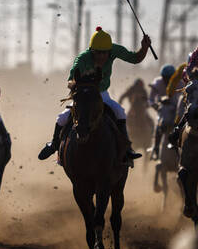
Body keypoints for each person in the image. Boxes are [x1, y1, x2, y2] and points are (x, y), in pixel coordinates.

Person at [38, 26, 152, 163]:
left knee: (120, 112)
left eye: (105, 53)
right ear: (92, 51)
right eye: (98, 53)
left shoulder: (114, 50)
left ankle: (126, 149)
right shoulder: (82, 59)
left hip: (102, 93)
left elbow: (135, 58)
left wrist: (144, 48)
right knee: (62, 117)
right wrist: (77, 86)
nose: (103, 56)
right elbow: (70, 79)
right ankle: (54, 144)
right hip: (84, 94)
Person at [147, 64, 177, 160]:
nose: (168, 81)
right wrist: (157, 106)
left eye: (170, 78)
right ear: (162, 77)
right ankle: (156, 149)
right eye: (165, 78)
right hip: (163, 110)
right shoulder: (157, 83)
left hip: (176, 111)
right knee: (159, 127)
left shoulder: (180, 83)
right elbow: (150, 99)